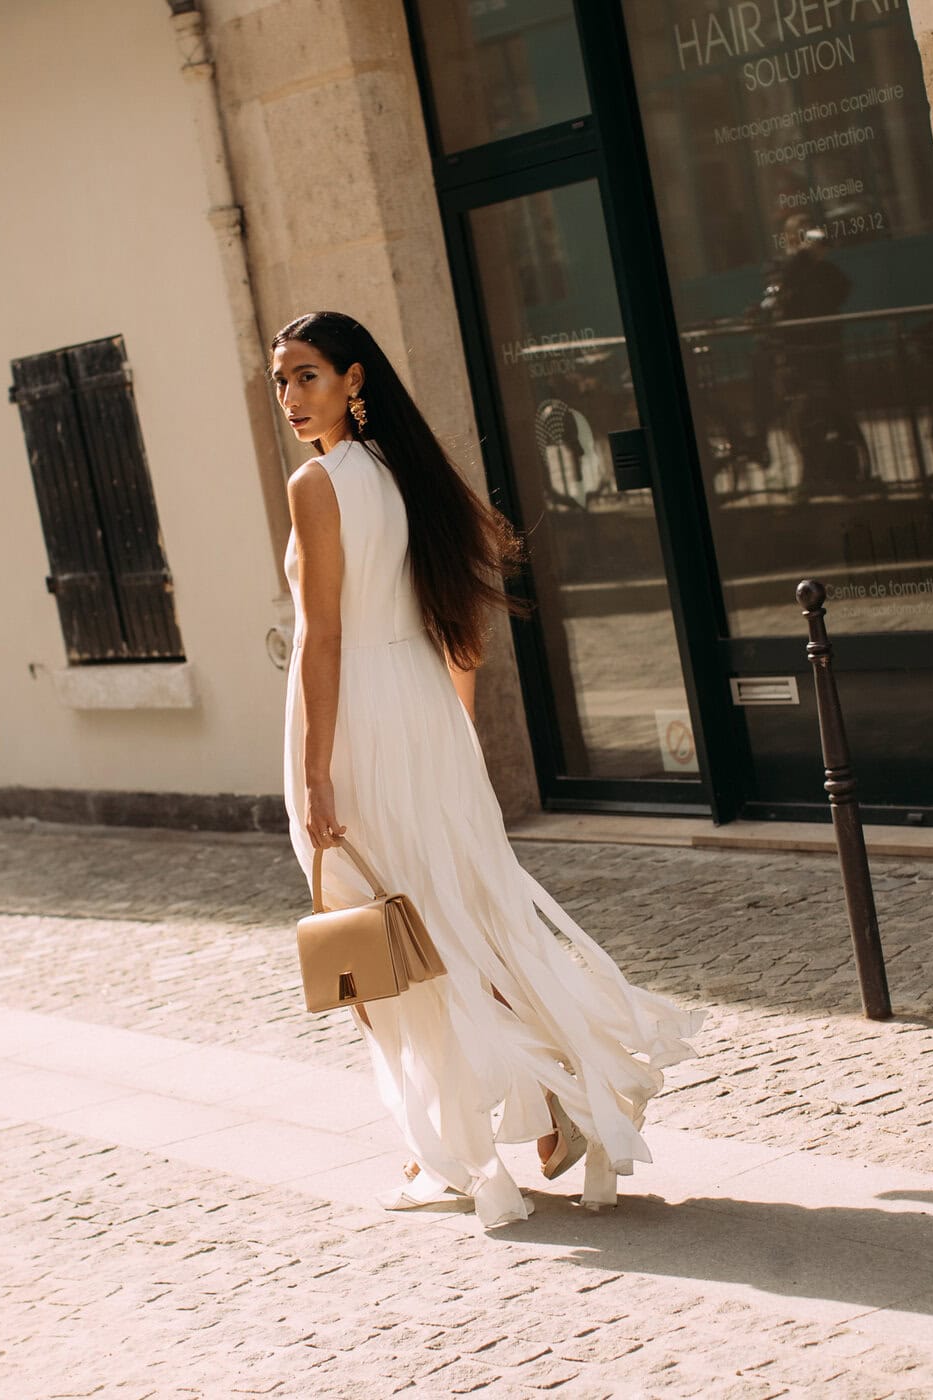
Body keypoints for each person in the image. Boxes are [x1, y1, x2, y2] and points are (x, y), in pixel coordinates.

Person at [275, 311, 705, 1227]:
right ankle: (542, 1097)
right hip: (422, 713)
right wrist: (452, 732)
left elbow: (323, 636)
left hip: (356, 718)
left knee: (381, 941)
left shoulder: (319, 484)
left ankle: (462, 1140)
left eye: (306, 376)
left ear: (355, 381)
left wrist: (316, 776)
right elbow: (453, 618)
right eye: (280, 382)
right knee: (452, 919)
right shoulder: (409, 475)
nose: (290, 398)